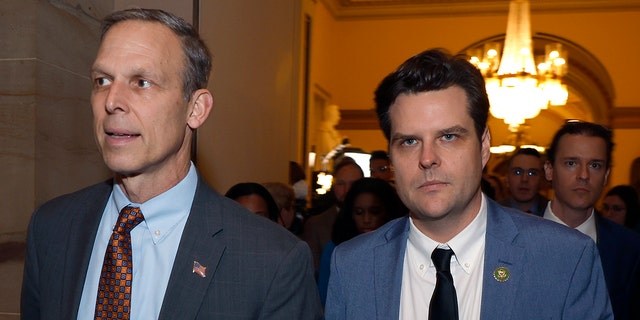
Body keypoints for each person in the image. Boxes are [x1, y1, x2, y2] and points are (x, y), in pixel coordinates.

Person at [20, 8, 322, 320]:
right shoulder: (52, 228)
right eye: (102, 80)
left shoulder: (273, 260)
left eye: (142, 82)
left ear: (196, 109)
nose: (112, 100)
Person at [324, 49, 612, 319]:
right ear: (392, 157)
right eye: (409, 141)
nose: (427, 159)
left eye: (448, 137)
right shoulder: (352, 266)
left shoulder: (564, 259)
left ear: (484, 145)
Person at [543, 121, 640, 319]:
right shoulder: (510, 240)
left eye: (595, 165)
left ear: (605, 176)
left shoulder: (630, 249)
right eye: (571, 163)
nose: (584, 175)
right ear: (549, 170)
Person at [317, 177, 407, 306]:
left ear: (388, 212)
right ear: (351, 214)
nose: (366, 219)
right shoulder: (335, 250)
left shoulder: (402, 248)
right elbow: (326, 301)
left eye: (374, 212)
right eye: (359, 212)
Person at [301, 157, 364, 273]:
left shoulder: (376, 222)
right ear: (333, 187)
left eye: (353, 184)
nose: (347, 190)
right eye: (341, 184)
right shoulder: (316, 225)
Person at [498, 147, 549, 215]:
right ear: (507, 178)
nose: (524, 179)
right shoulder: (492, 212)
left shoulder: (554, 213)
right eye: (517, 172)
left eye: (532, 173)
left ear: (541, 178)